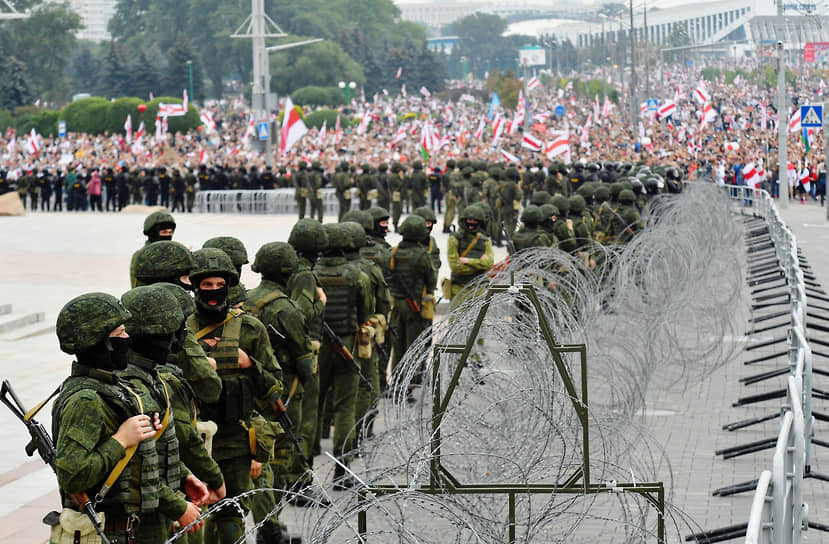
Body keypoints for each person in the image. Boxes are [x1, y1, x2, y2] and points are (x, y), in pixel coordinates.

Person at [52, 293, 203, 543]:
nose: (127, 339)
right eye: (120, 333)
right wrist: (121, 440)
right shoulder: (85, 400)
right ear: (99, 342)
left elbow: (138, 459)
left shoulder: (112, 387)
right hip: (107, 532)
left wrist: (183, 473)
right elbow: (73, 476)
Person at [186, 248, 284, 543]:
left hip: (236, 439)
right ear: (195, 287)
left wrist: (249, 364)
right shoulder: (182, 331)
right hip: (194, 440)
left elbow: (273, 388)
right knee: (195, 519)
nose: (214, 292)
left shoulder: (250, 329)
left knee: (232, 517)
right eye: (207, 285)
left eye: (219, 285)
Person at [119, 285, 216, 541]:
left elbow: (160, 449)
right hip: (140, 521)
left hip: (158, 509)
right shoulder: (133, 388)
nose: (175, 341)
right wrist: (177, 506)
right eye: (166, 335)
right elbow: (136, 467)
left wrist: (183, 475)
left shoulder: (152, 378)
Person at [314, 223, 372, 487]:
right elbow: (365, 311)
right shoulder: (356, 274)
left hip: (317, 346)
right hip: (346, 344)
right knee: (344, 408)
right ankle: (341, 469)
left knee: (312, 408)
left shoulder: (310, 275)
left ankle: (305, 471)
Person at [287, 219, 327, 466]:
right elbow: (299, 315)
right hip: (304, 350)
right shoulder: (304, 275)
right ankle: (301, 479)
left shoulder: (291, 267)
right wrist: (320, 303)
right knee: (306, 417)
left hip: (295, 350)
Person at [387, 215, 437, 387]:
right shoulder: (421, 255)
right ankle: (410, 383)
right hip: (415, 305)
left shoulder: (394, 252)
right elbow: (431, 280)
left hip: (397, 303)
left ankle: (396, 381)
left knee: (398, 345)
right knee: (413, 346)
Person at [446, 205, 494, 309]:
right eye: (469, 220)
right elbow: (455, 267)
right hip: (459, 287)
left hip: (480, 287)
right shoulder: (454, 239)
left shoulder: (485, 241)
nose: (471, 223)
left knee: (480, 322)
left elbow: (489, 263)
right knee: (456, 321)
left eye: (475, 220)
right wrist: (480, 264)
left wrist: (468, 261)